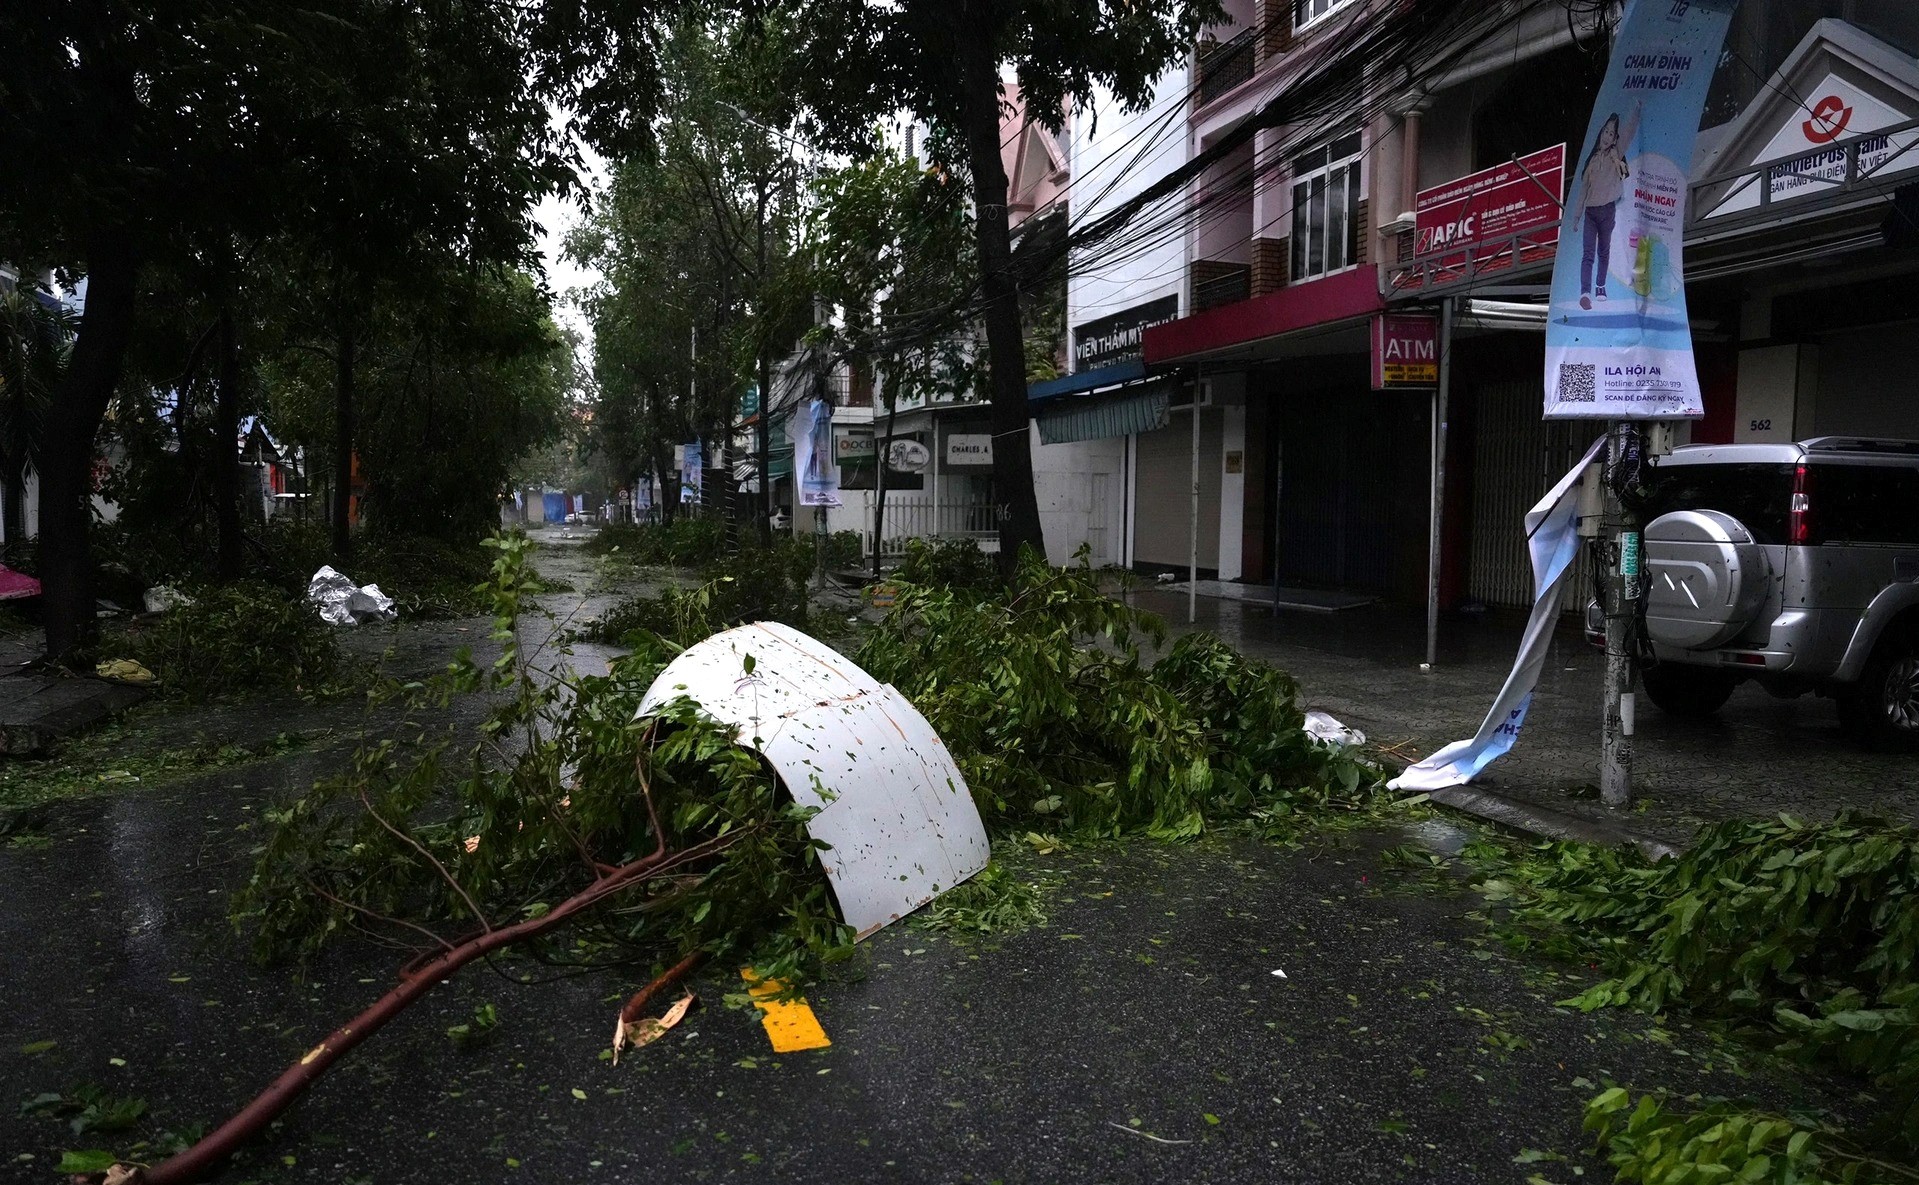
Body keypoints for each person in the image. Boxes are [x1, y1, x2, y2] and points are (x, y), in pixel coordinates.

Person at [1573, 102, 1640, 311]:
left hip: (1607, 211)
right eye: (1606, 131)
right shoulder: (1591, 161)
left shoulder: (1617, 155)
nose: (1607, 136)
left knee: (1604, 251)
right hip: (1591, 213)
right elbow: (1583, 191)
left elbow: (1628, 132)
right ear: (1601, 132)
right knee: (1588, 253)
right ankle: (1585, 293)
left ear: (1614, 138)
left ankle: (1600, 286)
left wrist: (1636, 110)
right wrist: (1576, 217)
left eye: (1612, 133)